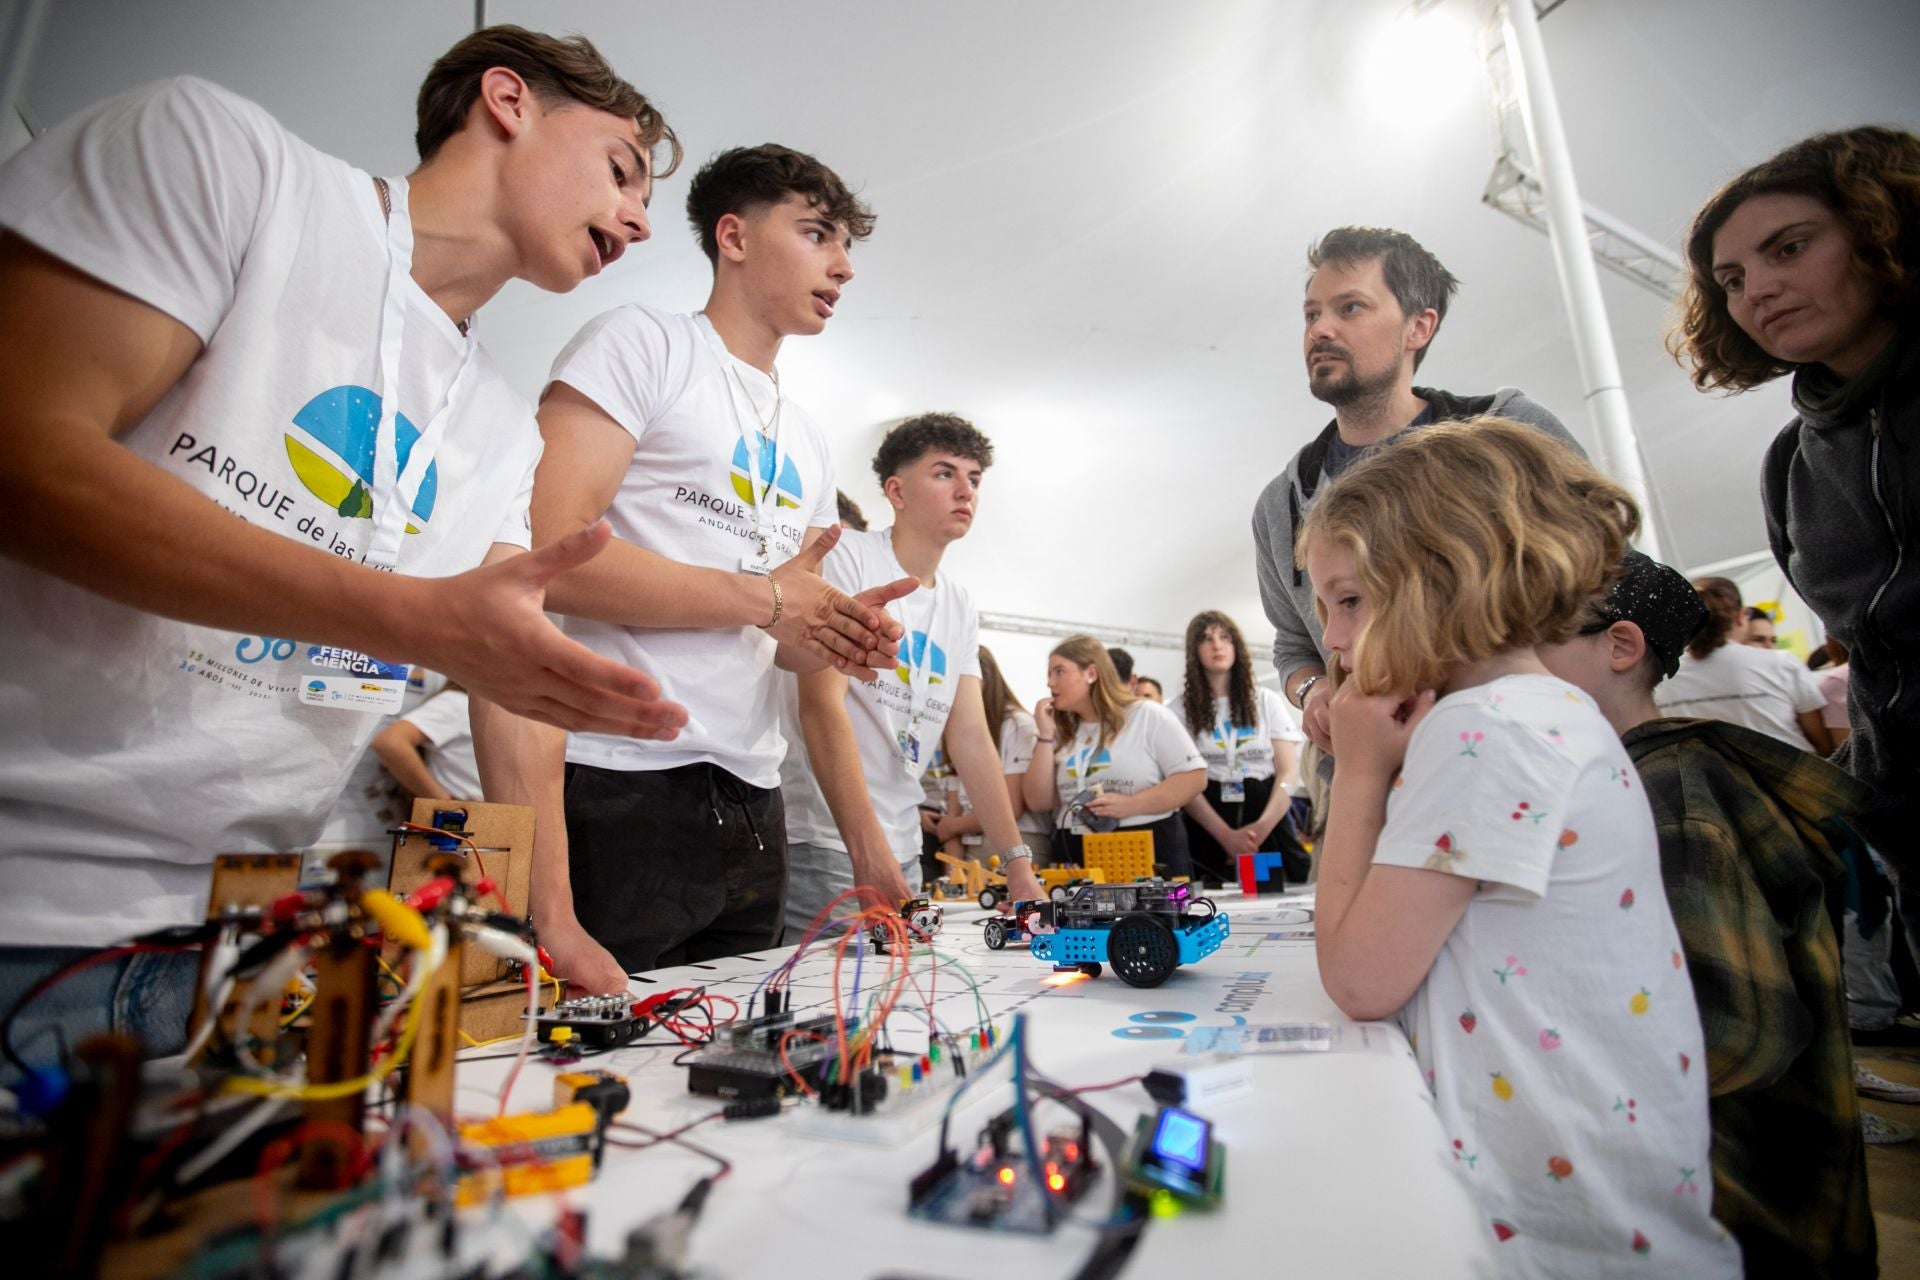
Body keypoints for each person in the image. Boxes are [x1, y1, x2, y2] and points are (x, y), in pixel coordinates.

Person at [0, 26, 689, 1065]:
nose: (638, 219)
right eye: (623, 169)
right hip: (32, 906)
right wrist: (406, 616)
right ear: (509, 98)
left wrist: (552, 911)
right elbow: (24, 448)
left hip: (243, 942)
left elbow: (508, 681)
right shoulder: (228, 162)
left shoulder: (504, 428)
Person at [1303, 418, 1738, 1276]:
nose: (1334, 639)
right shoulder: (1538, 708)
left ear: (1449, 575)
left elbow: (1358, 978)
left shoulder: (1488, 733)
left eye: (1350, 600)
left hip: (1557, 1236)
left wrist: (1356, 772)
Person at [488, 144, 916, 987]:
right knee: (603, 1068)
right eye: (818, 233)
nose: (843, 267)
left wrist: (837, 629)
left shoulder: (807, 434)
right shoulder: (643, 344)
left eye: (848, 247)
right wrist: (767, 600)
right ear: (735, 236)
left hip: (755, 799)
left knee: (727, 1065)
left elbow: (785, 644)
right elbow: (544, 556)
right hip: (621, 777)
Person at [1539, 550, 1875, 1276]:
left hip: (1744, 1212)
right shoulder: (1625, 779)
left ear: (1620, 647)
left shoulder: (1675, 795)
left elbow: (1734, 1034)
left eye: (1531, 635)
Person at [1672, 124, 1919, 870]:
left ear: (1882, 228)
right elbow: (1879, 670)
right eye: (1733, 279)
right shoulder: (1792, 466)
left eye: (1788, 248)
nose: (1759, 290)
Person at [1253, 226, 1584, 759]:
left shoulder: (1510, 435)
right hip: (1373, 796)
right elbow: (1293, 644)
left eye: (1350, 308)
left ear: (1419, 326)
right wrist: (1312, 691)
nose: (1321, 330)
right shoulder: (1282, 503)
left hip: (1529, 765)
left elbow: (1608, 582)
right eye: (1312, 314)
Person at [781, 414, 1044, 934]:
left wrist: (1017, 865)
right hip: (830, 842)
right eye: (945, 473)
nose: (965, 489)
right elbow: (820, 704)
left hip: (902, 847)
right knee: (823, 1008)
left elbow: (970, 736)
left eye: (974, 478)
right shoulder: (848, 558)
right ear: (896, 491)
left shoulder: (959, 603)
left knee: (898, 1007)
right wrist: (869, 853)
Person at [1025, 637, 1206, 875]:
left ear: (1091, 673)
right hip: (1074, 849)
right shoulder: (1060, 729)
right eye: (1049, 674)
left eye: (1059, 672)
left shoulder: (1146, 715)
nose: (1050, 682)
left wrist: (1131, 805)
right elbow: (1038, 801)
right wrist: (1045, 736)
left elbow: (1194, 777)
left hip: (1144, 842)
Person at [1174, 611, 1307, 887]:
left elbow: (1287, 774)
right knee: (1209, 904)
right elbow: (1183, 784)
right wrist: (1226, 836)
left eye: (1225, 637)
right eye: (1207, 639)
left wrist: (1258, 832)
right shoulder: (1177, 709)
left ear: (1237, 646)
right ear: (1194, 650)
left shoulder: (1265, 701)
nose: (1217, 645)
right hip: (1208, 823)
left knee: (1270, 898)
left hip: (1265, 816)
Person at [1655, 577, 1832, 755]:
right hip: (1790, 775)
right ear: (1741, 616)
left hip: (1710, 780)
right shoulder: (1781, 664)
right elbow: (1823, 744)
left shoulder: (1662, 678)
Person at [937, 645, 1054, 864]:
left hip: (1020, 842)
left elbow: (1012, 807)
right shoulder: (954, 726)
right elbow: (953, 814)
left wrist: (952, 826)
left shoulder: (1019, 724)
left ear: (984, 678)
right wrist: (954, 874)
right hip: (971, 846)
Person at [373, 684, 483, 804]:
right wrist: (444, 803)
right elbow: (390, 742)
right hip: (460, 815)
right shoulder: (458, 703)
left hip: (488, 814)